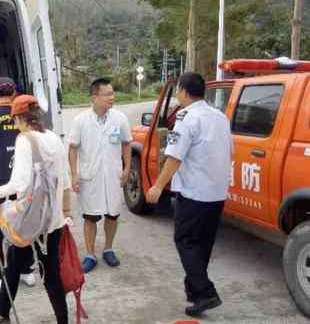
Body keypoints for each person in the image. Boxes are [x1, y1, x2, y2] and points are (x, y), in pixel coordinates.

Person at [0, 95, 72, 324]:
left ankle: (2, 316)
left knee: (12, 268)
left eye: (15, 120)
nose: (15, 124)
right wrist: (65, 214)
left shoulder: (24, 140)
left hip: (28, 221)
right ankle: (63, 321)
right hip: (52, 221)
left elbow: (18, 184)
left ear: (20, 118)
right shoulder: (53, 138)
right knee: (51, 276)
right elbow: (65, 181)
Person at [147, 72, 232, 317]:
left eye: (178, 91)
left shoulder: (186, 118)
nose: (177, 95)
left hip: (194, 193)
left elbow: (174, 157)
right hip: (216, 193)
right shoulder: (219, 117)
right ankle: (196, 294)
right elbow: (228, 151)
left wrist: (157, 186)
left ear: (183, 92)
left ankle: (205, 292)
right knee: (202, 244)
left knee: (185, 241)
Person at [68, 77, 132, 273]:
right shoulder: (80, 121)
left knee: (112, 215)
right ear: (95, 97)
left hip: (113, 176)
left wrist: (127, 167)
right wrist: (74, 174)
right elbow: (72, 148)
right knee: (90, 217)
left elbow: (127, 143)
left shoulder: (119, 118)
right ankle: (89, 254)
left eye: (113, 93)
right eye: (107, 94)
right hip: (90, 176)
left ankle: (108, 249)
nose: (112, 97)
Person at [0, 77, 36, 290]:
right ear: (13, 95)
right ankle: (27, 271)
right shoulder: (22, 117)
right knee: (23, 222)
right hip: (25, 178)